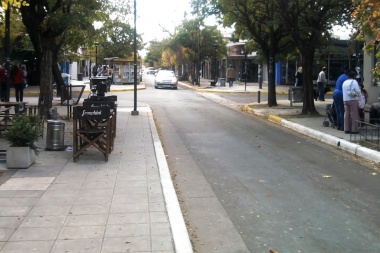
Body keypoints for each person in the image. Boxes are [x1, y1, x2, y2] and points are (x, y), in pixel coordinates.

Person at [342, 69, 361, 134]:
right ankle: (354, 129)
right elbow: (358, 91)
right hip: (353, 99)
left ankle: (346, 129)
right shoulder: (354, 81)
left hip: (345, 100)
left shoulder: (344, 82)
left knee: (346, 114)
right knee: (354, 114)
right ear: (354, 76)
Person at [332, 66, 348, 131]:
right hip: (340, 94)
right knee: (342, 110)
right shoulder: (347, 78)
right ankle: (342, 126)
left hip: (335, 93)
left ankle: (338, 125)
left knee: (338, 110)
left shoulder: (341, 76)